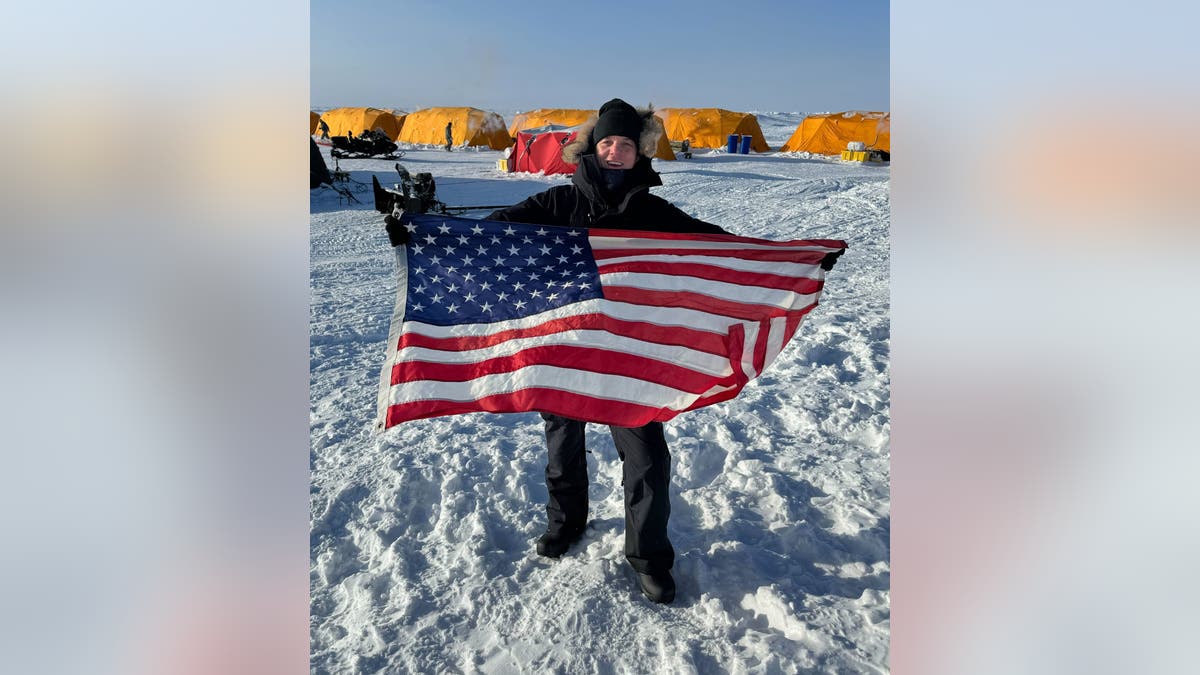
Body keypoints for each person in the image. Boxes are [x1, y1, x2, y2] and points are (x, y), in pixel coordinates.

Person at [485, 98, 734, 604]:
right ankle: (566, 523)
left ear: (639, 152)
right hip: (568, 347)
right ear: (591, 149)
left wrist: (792, 260)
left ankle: (648, 556)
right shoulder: (556, 205)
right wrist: (421, 235)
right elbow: (490, 233)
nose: (616, 152)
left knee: (646, 458)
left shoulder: (654, 211)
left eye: (625, 144)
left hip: (629, 356)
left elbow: (719, 249)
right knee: (562, 447)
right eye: (607, 143)